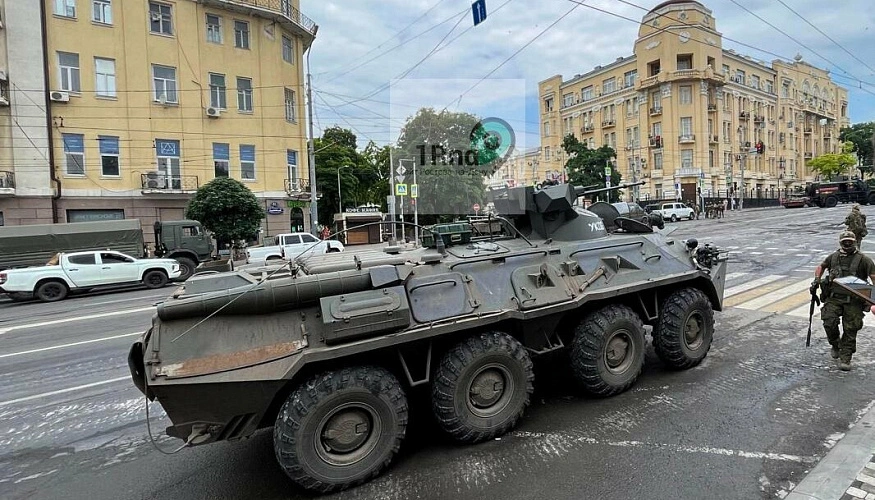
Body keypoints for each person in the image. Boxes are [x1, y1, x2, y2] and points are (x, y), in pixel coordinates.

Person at [811, 231, 875, 370]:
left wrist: (872, 298)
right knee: (829, 321)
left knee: (851, 328)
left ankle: (846, 357)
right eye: (844, 241)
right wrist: (817, 279)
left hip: (854, 301)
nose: (847, 244)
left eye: (850, 241)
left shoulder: (864, 260)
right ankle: (835, 344)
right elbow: (821, 266)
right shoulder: (833, 257)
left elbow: (873, 277)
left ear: (854, 242)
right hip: (834, 298)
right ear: (840, 242)